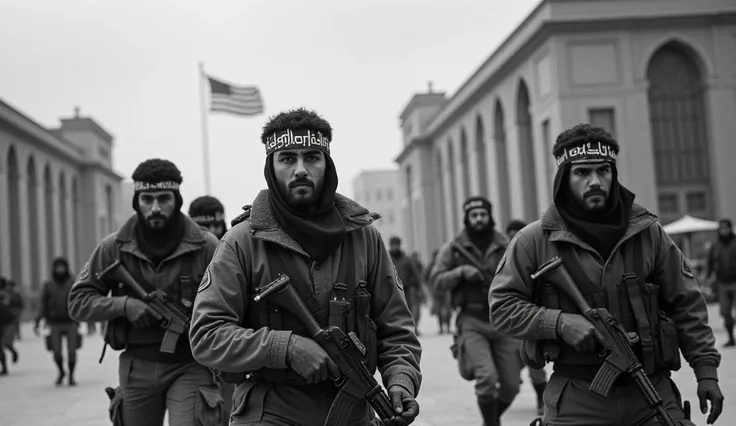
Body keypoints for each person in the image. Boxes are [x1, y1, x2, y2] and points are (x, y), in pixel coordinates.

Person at [189, 107, 422, 426]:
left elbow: (396, 328)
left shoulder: (363, 237)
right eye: (287, 158)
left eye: (312, 157)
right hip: (272, 409)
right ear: (271, 167)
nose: (301, 169)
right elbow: (207, 335)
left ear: (327, 164)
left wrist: (400, 382)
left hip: (353, 410)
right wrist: (286, 347)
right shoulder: (242, 241)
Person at [490, 123, 724, 425]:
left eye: (603, 171)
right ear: (563, 178)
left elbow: (687, 305)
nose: (595, 181)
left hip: (651, 389)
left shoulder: (648, 232)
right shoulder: (533, 240)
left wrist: (706, 372)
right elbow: (502, 308)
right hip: (578, 394)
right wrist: (560, 323)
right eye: (582, 173)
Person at [67, 158, 222, 426]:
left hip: (191, 364)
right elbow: (78, 302)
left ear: (177, 199)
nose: (155, 208)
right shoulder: (113, 247)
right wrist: (124, 306)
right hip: (137, 364)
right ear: (136, 201)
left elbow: (231, 301)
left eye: (164, 198)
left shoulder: (206, 245)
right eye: (147, 199)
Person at [430, 196, 522, 426]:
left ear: (490, 216)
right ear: (467, 218)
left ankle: (491, 418)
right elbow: (436, 280)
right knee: (486, 377)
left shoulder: (507, 244)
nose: (479, 219)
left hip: (503, 319)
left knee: (511, 385)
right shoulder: (454, 248)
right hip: (472, 319)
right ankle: (491, 423)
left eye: (483, 214)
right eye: (474, 215)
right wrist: (460, 272)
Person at [189, 194, 234, 426]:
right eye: (205, 226)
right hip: (192, 357)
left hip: (229, 351)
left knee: (228, 414)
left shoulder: (236, 250)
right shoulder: (185, 256)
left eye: (217, 224)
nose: (213, 231)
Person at [505, 219, 547, 416]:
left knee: (534, 362)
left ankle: (541, 397)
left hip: (531, 315)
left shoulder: (533, 253)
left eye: (517, 232)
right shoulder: (502, 256)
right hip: (510, 318)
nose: (513, 236)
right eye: (510, 233)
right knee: (511, 363)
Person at [34, 258, 80, 385]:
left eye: (62, 267)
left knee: (72, 351)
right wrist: (38, 320)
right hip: (54, 322)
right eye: (58, 267)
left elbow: (80, 300)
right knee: (56, 351)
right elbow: (43, 304)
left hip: (71, 321)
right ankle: (61, 371)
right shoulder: (48, 285)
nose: (60, 270)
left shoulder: (73, 283)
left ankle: (71, 375)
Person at [706, 218, 736, 347]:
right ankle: (731, 337)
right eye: (721, 228)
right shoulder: (715, 245)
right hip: (722, 282)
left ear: (730, 228)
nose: (724, 231)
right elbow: (710, 262)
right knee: (725, 312)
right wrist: (707, 276)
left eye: (726, 228)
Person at [388, 237, 423, 335]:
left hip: (408, 288)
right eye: (393, 245)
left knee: (412, 309)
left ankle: (413, 328)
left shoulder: (406, 259)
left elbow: (415, 274)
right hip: (392, 289)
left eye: (396, 245)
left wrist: (419, 288)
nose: (395, 247)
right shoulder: (386, 259)